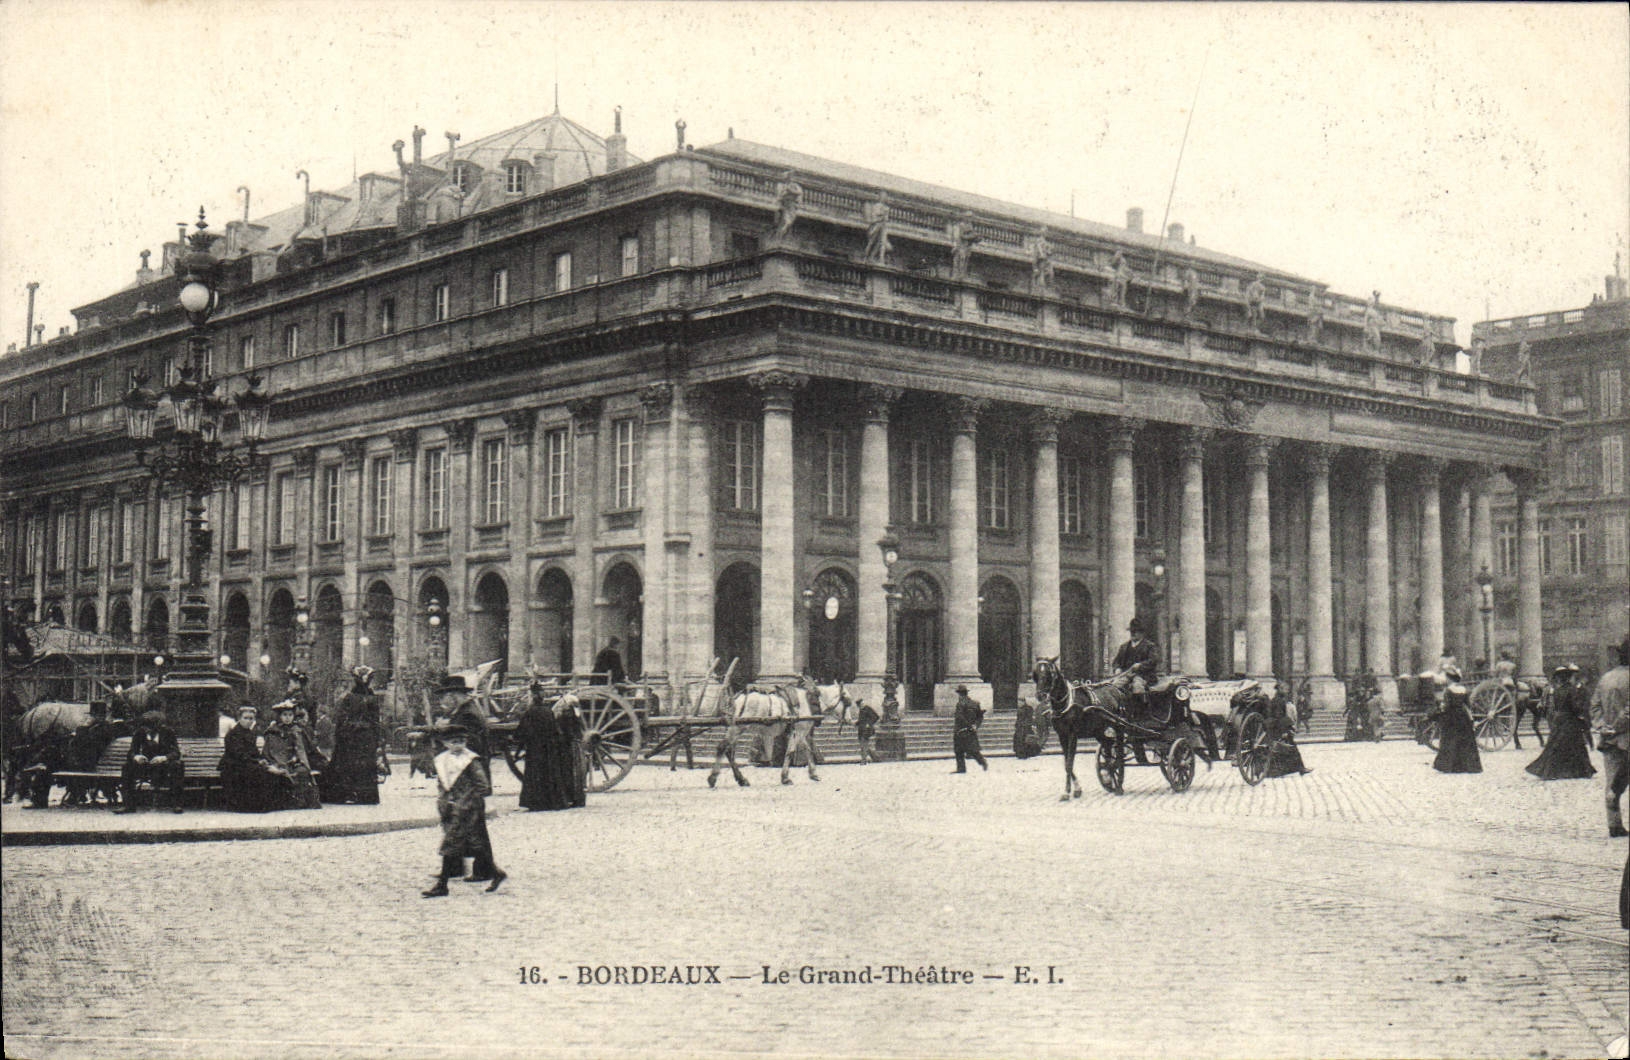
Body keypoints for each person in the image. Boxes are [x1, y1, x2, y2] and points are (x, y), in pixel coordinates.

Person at [421, 723, 506, 897]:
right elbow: (442, 783)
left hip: (467, 808)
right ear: (445, 743)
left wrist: (470, 800)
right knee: (474, 844)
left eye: (461, 741)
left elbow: (483, 785)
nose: (458, 745)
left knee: (451, 844)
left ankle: (442, 885)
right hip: (451, 807)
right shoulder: (442, 759)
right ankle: (496, 873)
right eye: (454, 741)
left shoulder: (470, 760)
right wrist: (443, 800)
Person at [434, 674, 500, 881]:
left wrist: (441, 731)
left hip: (468, 778)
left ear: (454, 696)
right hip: (462, 778)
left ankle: (484, 869)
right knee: (457, 821)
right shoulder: (465, 711)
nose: (442, 702)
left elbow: (468, 745)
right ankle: (455, 865)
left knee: (473, 824)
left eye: (444, 697)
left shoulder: (467, 714)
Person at [321, 666, 382, 805]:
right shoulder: (351, 698)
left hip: (363, 738)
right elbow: (342, 718)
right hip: (353, 737)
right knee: (350, 763)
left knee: (361, 764)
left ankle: (362, 795)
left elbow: (375, 720)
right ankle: (354, 794)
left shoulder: (370, 698)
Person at [1526, 664, 1596, 781]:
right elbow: (1574, 706)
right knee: (1576, 745)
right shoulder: (1572, 690)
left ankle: (1550, 770)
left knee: (1555, 745)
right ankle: (1580, 770)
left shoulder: (1557, 690)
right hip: (1570, 720)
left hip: (1559, 719)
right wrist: (1580, 713)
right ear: (1569, 678)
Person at [1591, 636, 1630, 838]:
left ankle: (1614, 824)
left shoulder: (1606, 678)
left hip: (1608, 739)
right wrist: (1617, 727)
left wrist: (1603, 727)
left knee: (1612, 782)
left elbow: (1595, 706)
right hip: (1626, 737)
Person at [114, 710, 186, 813]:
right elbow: (131, 752)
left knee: (178, 766)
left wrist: (163, 758)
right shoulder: (139, 733)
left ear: (156, 727)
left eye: (148, 728)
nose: (145, 730)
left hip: (163, 767)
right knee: (127, 767)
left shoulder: (168, 733)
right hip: (146, 766)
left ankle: (177, 804)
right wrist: (137, 757)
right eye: (144, 727)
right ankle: (128, 805)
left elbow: (176, 753)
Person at [218, 705, 284, 813]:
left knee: (269, 772)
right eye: (245, 718)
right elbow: (238, 754)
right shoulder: (233, 734)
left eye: (251, 718)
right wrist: (258, 762)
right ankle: (251, 806)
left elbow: (254, 752)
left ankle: (265, 804)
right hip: (233, 766)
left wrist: (262, 760)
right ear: (239, 718)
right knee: (258, 772)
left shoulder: (249, 733)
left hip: (246, 764)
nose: (248, 721)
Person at [516, 682, 566, 811]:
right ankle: (552, 802)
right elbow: (556, 730)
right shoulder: (548, 711)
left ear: (533, 698)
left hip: (535, 749)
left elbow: (521, 731)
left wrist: (519, 740)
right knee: (549, 773)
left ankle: (536, 803)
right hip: (549, 748)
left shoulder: (530, 712)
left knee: (536, 774)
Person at [262, 700, 321, 809]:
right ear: (279, 716)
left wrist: (295, 758)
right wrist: (274, 762)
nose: (287, 718)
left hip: (292, 762)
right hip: (276, 762)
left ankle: (300, 800)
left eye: (290, 715)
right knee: (281, 772)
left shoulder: (296, 731)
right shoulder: (272, 732)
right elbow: (268, 751)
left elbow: (300, 750)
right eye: (284, 715)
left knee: (302, 771)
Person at [1432, 666, 1482, 774]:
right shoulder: (1464, 689)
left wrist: (1441, 709)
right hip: (1463, 717)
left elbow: (1447, 705)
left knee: (1450, 739)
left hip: (1452, 717)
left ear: (1450, 679)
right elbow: (1467, 705)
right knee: (1465, 740)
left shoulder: (1448, 690)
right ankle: (1468, 766)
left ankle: (1450, 766)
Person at [1111, 618, 1161, 714]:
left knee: (1137, 686)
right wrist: (1117, 668)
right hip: (1127, 675)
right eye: (1132, 631)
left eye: (1136, 632)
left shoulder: (1150, 646)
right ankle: (1119, 712)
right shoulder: (1124, 647)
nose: (1133, 634)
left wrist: (1141, 665)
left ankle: (1141, 712)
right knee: (1114, 686)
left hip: (1144, 676)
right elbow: (1116, 661)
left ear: (1141, 633)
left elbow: (1153, 661)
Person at [952, 685, 987, 773]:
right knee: (973, 749)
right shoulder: (975, 703)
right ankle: (982, 762)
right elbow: (980, 716)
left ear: (959, 694)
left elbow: (959, 717)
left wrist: (968, 725)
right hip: (971, 730)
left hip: (961, 730)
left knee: (959, 751)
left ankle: (961, 768)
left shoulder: (960, 704)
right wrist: (975, 725)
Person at [855, 700, 879, 765]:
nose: (861, 706)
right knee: (864, 745)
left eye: (861, 704)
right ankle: (875, 757)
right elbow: (861, 720)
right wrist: (856, 723)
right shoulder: (861, 710)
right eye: (859, 705)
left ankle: (864, 760)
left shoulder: (868, 709)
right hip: (861, 730)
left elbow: (876, 717)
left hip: (867, 730)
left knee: (864, 745)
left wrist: (869, 723)